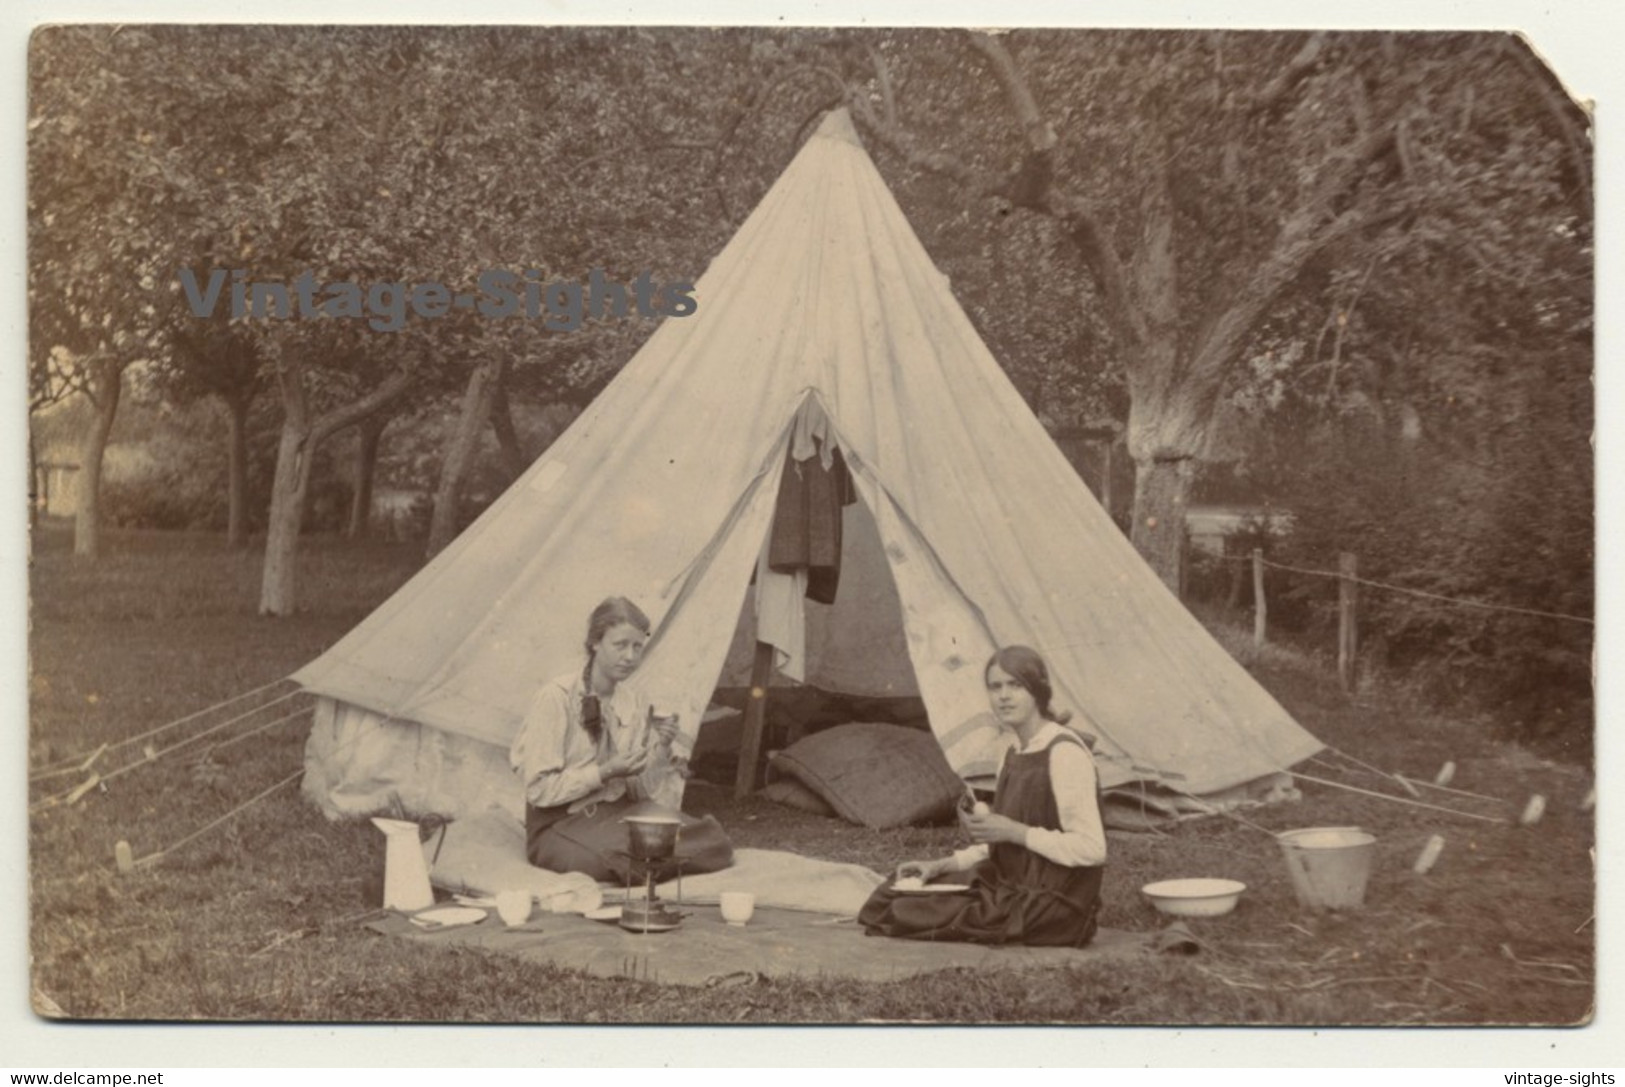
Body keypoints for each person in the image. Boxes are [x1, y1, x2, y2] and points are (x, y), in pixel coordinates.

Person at [858, 645, 1107, 947]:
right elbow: (1000, 844)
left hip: (1053, 904)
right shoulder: (1013, 752)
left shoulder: (1064, 753)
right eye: (995, 686)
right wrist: (940, 865)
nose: (1003, 696)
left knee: (906, 911)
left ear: (1038, 692)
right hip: (1012, 886)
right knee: (894, 892)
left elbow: (1093, 849)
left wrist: (1017, 832)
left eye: (1015, 685)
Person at [509, 596, 732, 882]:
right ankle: (637, 860)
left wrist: (661, 747)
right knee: (624, 860)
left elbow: (639, 792)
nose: (630, 657)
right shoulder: (556, 698)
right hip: (561, 822)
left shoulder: (633, 702)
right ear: (595, 643)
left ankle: (644, 858)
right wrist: (605, 772)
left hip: (619, 814)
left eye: (637, 647)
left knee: (715, 845)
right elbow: (539, 791)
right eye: (620, 645)